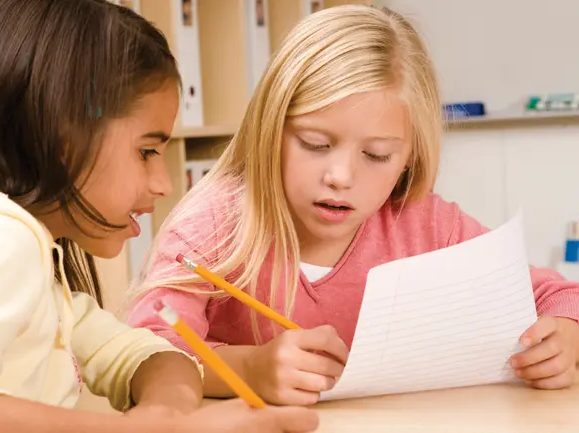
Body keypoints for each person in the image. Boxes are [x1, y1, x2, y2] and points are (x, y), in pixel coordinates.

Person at [0, 1, 318, 432]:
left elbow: (147, 354)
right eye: (147, 151)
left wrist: (168, 412)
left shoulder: (36, 262)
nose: (163, 184)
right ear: (62, 140)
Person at [124, 4, 579, 406]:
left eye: (377, 155)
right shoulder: (213, 227)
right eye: (315, 144)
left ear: (409, 159)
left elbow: (559, 295)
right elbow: (145, 354)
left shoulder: (424, 224)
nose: (340, 176)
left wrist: (566, 335)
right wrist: (248, 369)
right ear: (270, 130)